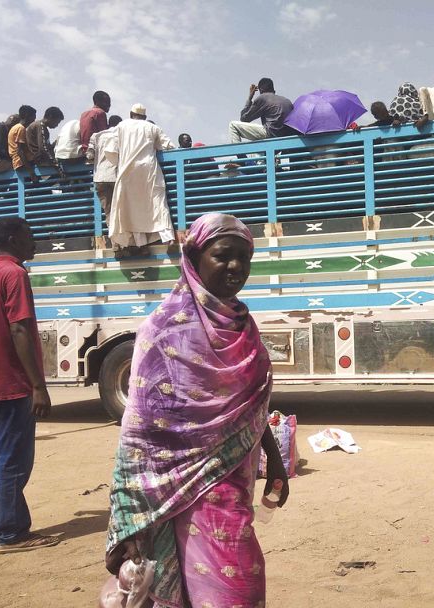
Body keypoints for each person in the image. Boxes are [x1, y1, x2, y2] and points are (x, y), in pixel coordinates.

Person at [106, 212, 289, 607]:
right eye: (224, 255)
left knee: (237, 587)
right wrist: (132, 517)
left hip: (231, 486)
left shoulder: (243, 325)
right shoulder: (162, 329)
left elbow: (249, 406)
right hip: (170, 492)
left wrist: (273, 459)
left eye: (245, 257)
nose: (236, 267)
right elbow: (138, 433)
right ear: (195, 258)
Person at [0, 217, 60, 553]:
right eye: (29, 235)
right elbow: (19, 329)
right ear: (13, 239)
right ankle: (11, 533)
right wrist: (38, 385)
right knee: (12, 460)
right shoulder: (15, 274)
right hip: (12, 382)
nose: (34, 241)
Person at [108, 103, 175, 254]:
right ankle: (168, 237)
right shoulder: (152, 127)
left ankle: (140, 243)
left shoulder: (121, 126)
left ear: (131, 114)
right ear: (145, 117)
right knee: (157, 203)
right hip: (149, 170)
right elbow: (169, 146)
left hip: (127, 172)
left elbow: (111, 151)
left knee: (132, 210)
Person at [229, 77, 294, 144]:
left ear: (261, 90)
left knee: (233, 125)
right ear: (273, 90)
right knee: (256, 151)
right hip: (285, 137)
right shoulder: (287, 101)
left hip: (271, 134)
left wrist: (250, 97)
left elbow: (244, 118)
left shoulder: (263, 97)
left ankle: (239, 153)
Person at [87, 115, 123, 222]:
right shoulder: (121, 135)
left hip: (100, 178)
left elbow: (89, 155)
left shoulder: (96, 136)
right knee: (120, 209)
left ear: (108, 124)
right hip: (115, 176)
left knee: (108, 210)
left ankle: (112, 235)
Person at [26, 106, 64, 172]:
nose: (57, 125)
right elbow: (43, 148)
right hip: (39, 160)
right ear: (50, 117)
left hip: (38, 158)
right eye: (57, 122)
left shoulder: (41, 126)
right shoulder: (40, 126)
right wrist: (55, 163)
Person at [8, 105, 39, 183]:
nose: (34, 120)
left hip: (19, 162)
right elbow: (20, 151)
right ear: (27, 116)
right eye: (33, 117)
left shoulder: (15, 127)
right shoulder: (21, 128)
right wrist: (31, 172)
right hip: (22, 163)